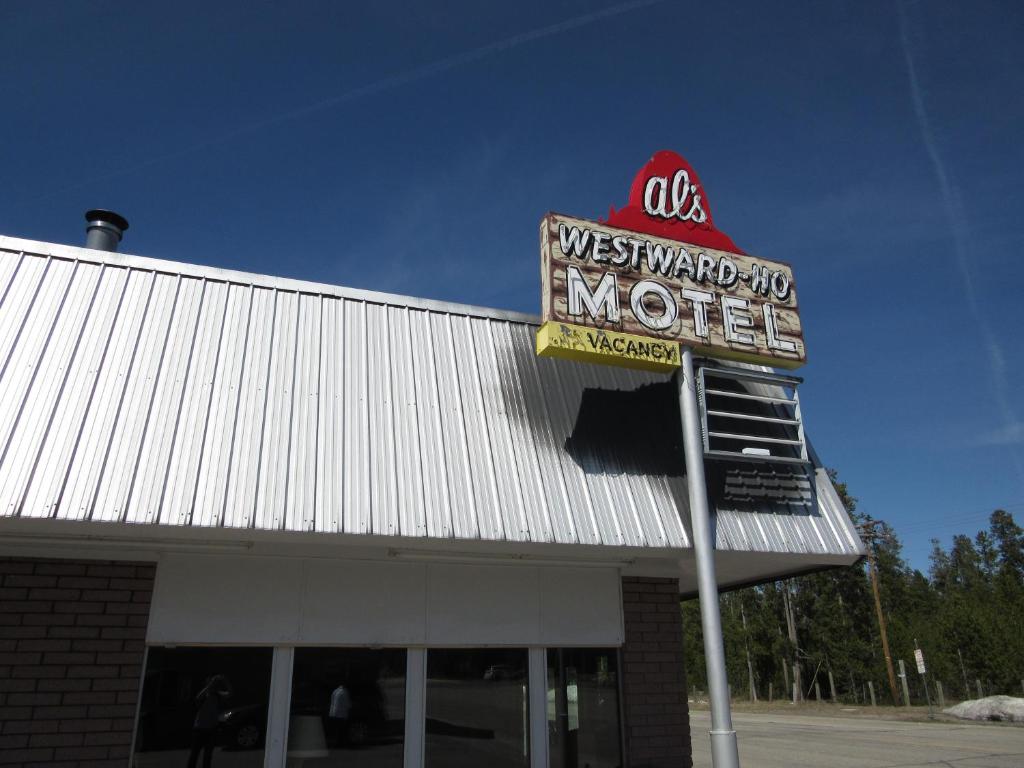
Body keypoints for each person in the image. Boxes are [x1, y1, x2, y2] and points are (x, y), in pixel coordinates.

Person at [188, 674, 232, 768]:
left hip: (211, 729)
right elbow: (198, 698)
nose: (213, 684)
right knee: (194, 755)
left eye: (214, 682)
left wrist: (225, 681)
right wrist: (211, 684)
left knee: (207, 756)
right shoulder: (205, 694)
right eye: (211, 682)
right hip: (199, 728)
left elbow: (229, 693)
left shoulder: (218, 695)